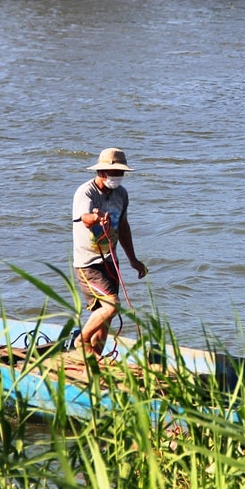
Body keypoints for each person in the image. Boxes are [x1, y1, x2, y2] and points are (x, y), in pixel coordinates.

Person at [72, 147, 148, 355]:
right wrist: (96, 218)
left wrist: (133, 259)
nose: (117, 177)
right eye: (114, 173)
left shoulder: (121, 194)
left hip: (110, 260)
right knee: (112, 306)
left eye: (120, 173)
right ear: (101, 172)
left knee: (105, 315)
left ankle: (93, 355)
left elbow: (123, 226)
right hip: (88, 262)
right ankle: (82, 340)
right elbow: (85, 218)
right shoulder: (86, 192)